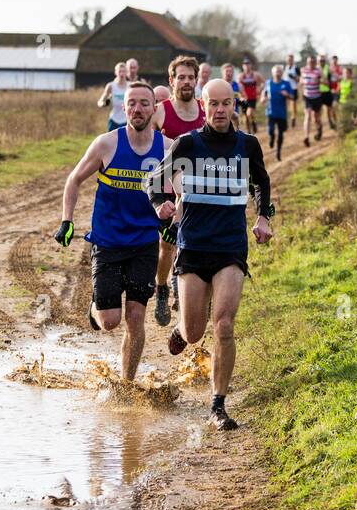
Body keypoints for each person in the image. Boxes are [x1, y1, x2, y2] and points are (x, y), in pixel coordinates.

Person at [148, 79, 274, 431]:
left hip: (230, 247)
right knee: (193, 331)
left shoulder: (247, 145)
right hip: (193, 246)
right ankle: (181, 327)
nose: (220, 110)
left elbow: (261, 184)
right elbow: (154, 181)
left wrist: (264, 217)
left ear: (235, 104)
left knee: (224, 324)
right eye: (213, 104)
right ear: (203, 106)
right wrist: (162, 203)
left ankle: (217, 403)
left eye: (226, 103)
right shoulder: (189, 144)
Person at [55, 82, 164, 384]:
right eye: (132, 103)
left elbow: (182, 190)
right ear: (124, 107)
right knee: (110, 322)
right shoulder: (106, 144)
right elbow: (74, 180)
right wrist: (67, 220)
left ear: (154, 109)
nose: (138, 109)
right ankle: (97, 307)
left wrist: (175, 216)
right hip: (107, 241)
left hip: (144, 242)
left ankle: (127, 382)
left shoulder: (167, 149)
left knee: (136, 317)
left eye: (145, 103)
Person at [150, 55, 206, 327]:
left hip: (201, 189)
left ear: (196, 81)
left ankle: (184, 291)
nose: (186, 82)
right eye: (181, 77)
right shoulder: (161, 111)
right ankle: (162, 288)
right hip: (168, 188)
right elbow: (141, 142)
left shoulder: (206, 109)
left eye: (190, 77)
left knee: (195, 243)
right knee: (166, 244)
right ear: (171, 80)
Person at [265, 64, 296, 161]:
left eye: (279, 71)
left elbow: (292, 97)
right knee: (271, 130)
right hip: (271, 111)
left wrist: (287, 95)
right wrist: (262, 98)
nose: (278, 72)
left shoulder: (286, 83)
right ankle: (271, 137)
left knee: (281, 133)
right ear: (272, 72)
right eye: (276, 71)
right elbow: (264, 92)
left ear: (282, 73)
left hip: (282, 113)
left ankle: (278, 152)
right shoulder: (268, 82)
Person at [300, 55, 324, 146]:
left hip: (317, 97)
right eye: (309, 62)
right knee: (308, 116)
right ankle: (306, 137)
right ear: (307, 62)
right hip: (307, 97)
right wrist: (303, 82)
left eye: (312, 62)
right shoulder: (304, 70)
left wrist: (318, 80)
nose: (311, 63)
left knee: (316, 118)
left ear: (315, 63)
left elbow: (325, 81)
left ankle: (319, 129)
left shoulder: (318, 70)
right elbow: (300, 81)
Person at [97, 62, 128, 131]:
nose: (122, 74)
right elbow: (100, 101)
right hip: (114, 120)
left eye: (123, 71)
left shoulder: (130, 86)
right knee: (111, 141)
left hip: (126, 120)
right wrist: (103, 104)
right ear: (115, 72)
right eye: (119, 71)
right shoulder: (111, 86)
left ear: (126, 72)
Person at [238, 58, 261, 135]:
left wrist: (259, 89)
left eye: (248, 64)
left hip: (252, 98)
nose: (247, 66)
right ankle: (249, 130)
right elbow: (238, 87)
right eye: (245, 64)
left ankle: (253, 124)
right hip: (244, 98)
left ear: (251, 65)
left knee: (250, 113)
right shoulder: (241, 76)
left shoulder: (255, 75)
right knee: (245, 115)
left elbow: (264, 83)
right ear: (243, 66)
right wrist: (241, 95)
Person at [284, 53, 301, 128]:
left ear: (293, 60)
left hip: (293, 88)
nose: (290, 61)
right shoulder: (286, 68)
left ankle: (293, 118)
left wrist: (293, 77)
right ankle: (285, 118)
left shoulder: (296, 68)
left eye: (291, 59)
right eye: (288, 60)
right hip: (286, 89)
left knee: (293, 105)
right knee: (285, 105)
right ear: (287, 60)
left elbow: (299, 79)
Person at [326, 55, 342, 130]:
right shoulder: (328, 69)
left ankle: (336, 122)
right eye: (333, 60)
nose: (334, 61)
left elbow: (340, 80)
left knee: (335, 106)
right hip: (329, 90)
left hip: (336, 90)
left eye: (336, 60)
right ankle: (331, 122)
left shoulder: (339, 68)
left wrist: (337, 89)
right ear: (331, 61)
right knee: (329, 108)